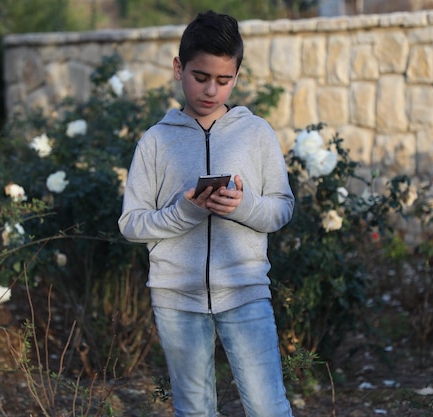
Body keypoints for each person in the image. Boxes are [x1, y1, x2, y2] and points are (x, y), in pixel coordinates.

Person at [118, 10, 295, 417]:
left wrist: (244, 206)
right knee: (195, 411)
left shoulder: (257, 134)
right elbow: (130, 223)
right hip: (176, 298)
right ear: (179, 68)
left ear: (237, 75)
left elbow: (282, 208)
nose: (211, 90)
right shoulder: (156, 142)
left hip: (247, 291)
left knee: (269, 408)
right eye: (201, 77)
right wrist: (184, 213)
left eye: (224, 79)